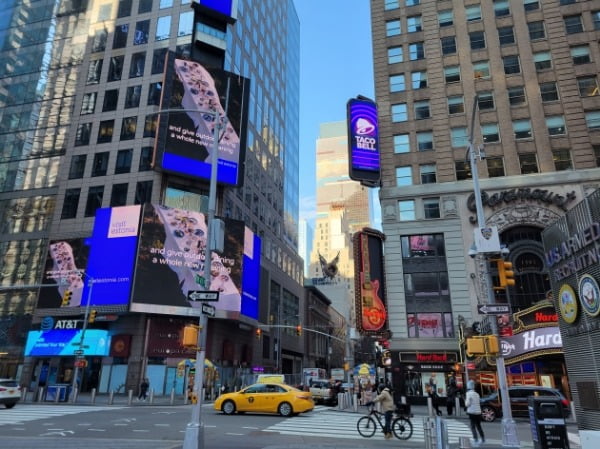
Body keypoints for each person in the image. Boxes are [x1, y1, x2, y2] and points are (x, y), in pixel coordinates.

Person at [465, 380, 485, 445]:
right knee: (479, 426)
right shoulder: (477, 394)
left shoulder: (468, 394)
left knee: (473, 426)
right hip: (478, 412)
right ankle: (482, 438)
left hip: (472, 412)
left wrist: (465, 402)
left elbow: (467, 404)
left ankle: (475, 439)